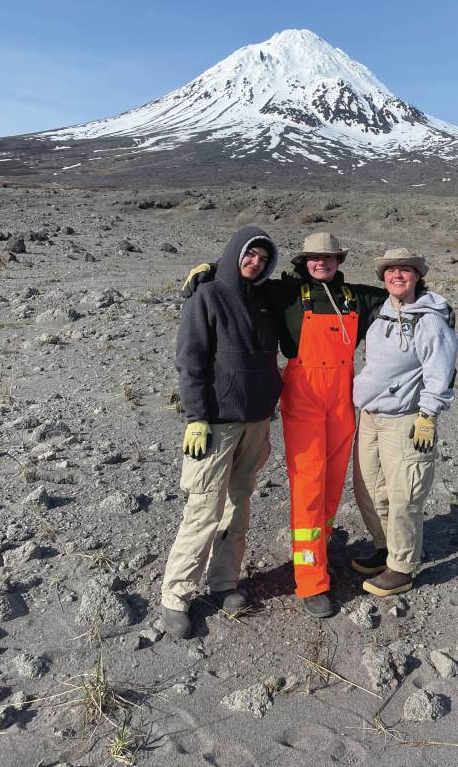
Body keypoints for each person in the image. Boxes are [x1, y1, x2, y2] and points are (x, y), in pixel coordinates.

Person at [183, 232, 385, 617]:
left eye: (328, 258)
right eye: (313, 258)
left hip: (342, 401)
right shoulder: (286, 294)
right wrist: (210, 270)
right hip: (304, 399)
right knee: (309, 484)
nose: (320, 263)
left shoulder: (357, 297)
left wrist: (438, 307)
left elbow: (401, 298)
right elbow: (244, 280)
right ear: (303, 262)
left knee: (331, 484)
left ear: (338, 261)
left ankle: (319, 550)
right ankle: (311, 582)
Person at [160, 226, 282, 639]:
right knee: (203, 508)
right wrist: (196, 416)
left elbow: (308, 282)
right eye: (249, 256)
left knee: (239, 501)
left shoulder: (264, 297)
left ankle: (224, 582)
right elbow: (190, 360)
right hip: (216, 423)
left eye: (264, 259)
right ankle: (176, 595)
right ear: (236, 254)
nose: (256, 264)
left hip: (257, 420)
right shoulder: (207, 295)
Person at [351, 247, 458, 597]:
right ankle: (385, 546)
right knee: (369, 487)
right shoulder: (380, 313)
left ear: (417, 276)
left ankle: (402, 567)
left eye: (405, 270)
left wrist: (428, 416)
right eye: (390, 271)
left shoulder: (429, 320)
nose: (397, 276)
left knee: (404, 494)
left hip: (406, 419)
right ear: (382, 278)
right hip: (370, 417)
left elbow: (439, 373)